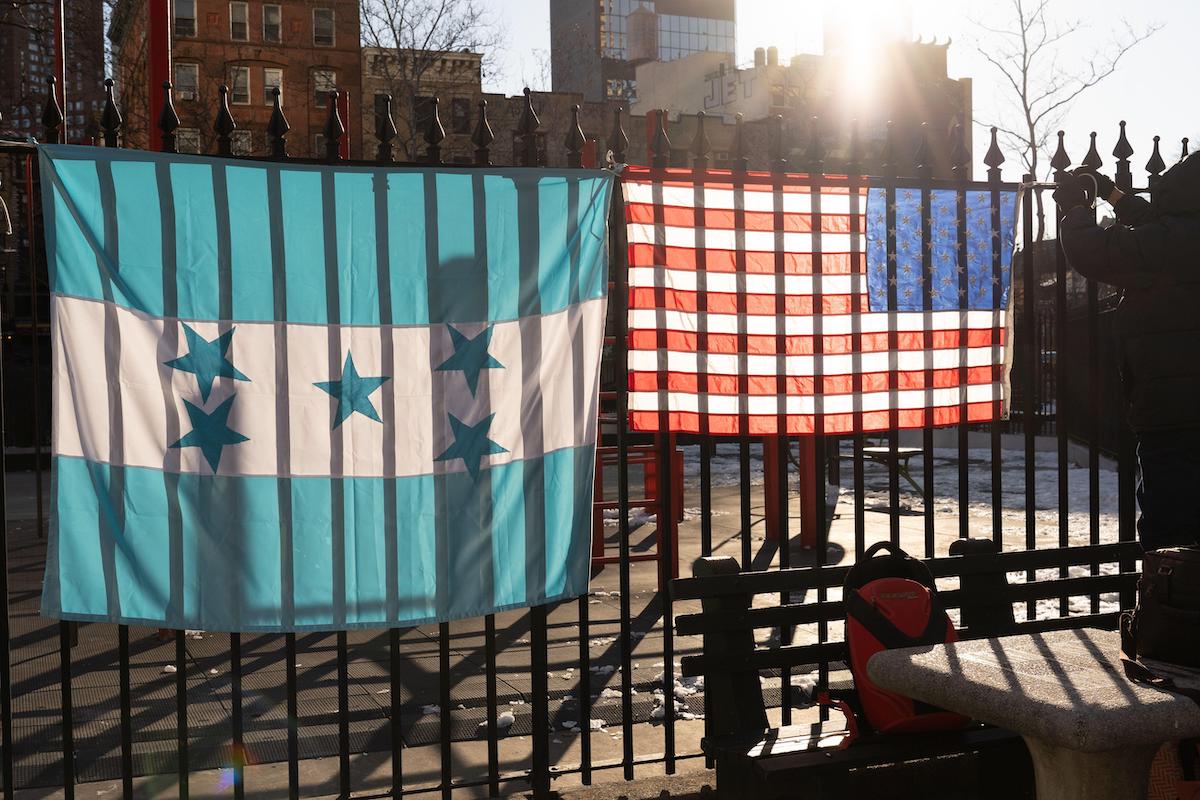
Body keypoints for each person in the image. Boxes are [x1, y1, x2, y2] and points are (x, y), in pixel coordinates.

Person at [1055, 155, 1200, 550]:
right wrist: (1112, 195)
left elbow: (1092, 251)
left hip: (1171, 413)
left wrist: (1074, 209)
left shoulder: (1168, 243)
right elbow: (1158, 226)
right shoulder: (1174, 238)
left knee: (1169, 531)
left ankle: (1170, 606)